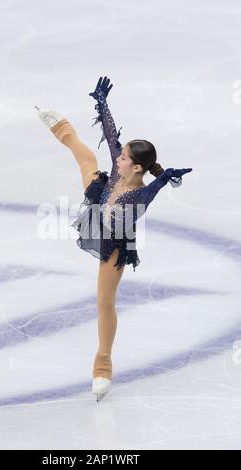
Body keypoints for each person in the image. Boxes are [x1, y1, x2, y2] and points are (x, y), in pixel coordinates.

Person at [36, 76, 192, 401]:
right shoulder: (120, 168)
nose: (117, 158)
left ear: (136, 168)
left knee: (104, 301)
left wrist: (164, 178)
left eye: (122, 158)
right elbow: (110, 134)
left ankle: (103, 362)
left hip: (115, 243)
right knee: (88, 160)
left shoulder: (140, 195)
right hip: (98, 202)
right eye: (119, 156)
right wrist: (102, 103)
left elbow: (154, 186)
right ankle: (60, 126)